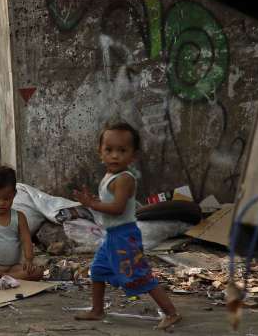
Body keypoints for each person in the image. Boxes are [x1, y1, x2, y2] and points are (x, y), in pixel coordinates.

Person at [72, 122, 181, 330]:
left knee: (140, 274)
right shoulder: (110, 176)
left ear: (133, 156)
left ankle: (171, 313)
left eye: (122, 151)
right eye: (109, 150)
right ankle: (97, 310)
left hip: (124, 236)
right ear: (100, 153)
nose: (115, 156)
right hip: (111, 236)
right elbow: (109, 202)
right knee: (97, 270)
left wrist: (92, 204)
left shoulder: (124, 179)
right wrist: (95, 200)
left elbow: (117, 208)